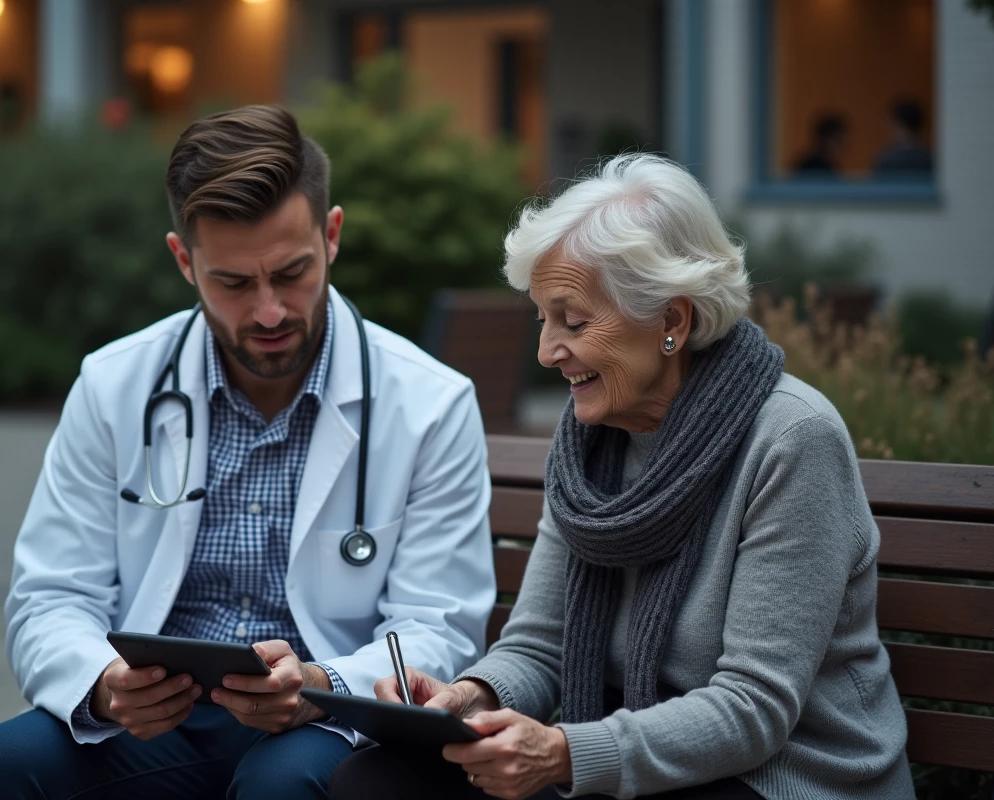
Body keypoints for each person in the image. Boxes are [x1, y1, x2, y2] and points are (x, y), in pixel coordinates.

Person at [0, 105, 496, 800]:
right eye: (234, 283)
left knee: (283, 787)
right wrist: (105, 687)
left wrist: (319, 686)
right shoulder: (115, 383)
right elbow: (52, 596)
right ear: (184, 261)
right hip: (153, 725)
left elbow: (437, 629)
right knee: (0, 767)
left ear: (331, 238)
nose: (269, 311)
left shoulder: (430, 402)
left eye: (292, 273)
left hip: (324, 724)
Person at [329, 154, 915, 800]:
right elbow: (539, 647)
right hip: (628, 764)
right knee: (376, 781)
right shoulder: (590, 441)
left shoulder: (794, 440)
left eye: (573, 321)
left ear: (672, 321)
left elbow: (753, 710)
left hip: (784, 777)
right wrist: (469, 698)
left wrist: (563, 752)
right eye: (543, 320)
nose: (547, 351)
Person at [873, 99, 933, 175]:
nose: (889, 129)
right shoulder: (930, 158)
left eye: (892, 124)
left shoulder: (886, 160)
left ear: (899, 126)